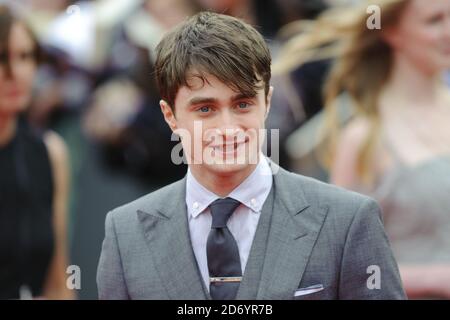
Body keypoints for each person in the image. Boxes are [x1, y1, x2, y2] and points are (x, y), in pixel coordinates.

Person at [96, 11, 405, 300]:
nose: (228, 128)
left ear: (267, 103)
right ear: (170, 116)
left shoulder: (347, 220)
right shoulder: (125, 234)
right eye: (205, 109)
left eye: (243, 104)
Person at [277, 0, 450, 298]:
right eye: (434, 20)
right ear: (393, 31)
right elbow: (337, 263)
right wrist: (434, 277)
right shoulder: (363, 139)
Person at [0, 5, 73, 299]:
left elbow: (59, 281)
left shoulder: (50, 153)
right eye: (2, 57)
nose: (16, 72)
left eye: (26, 56)